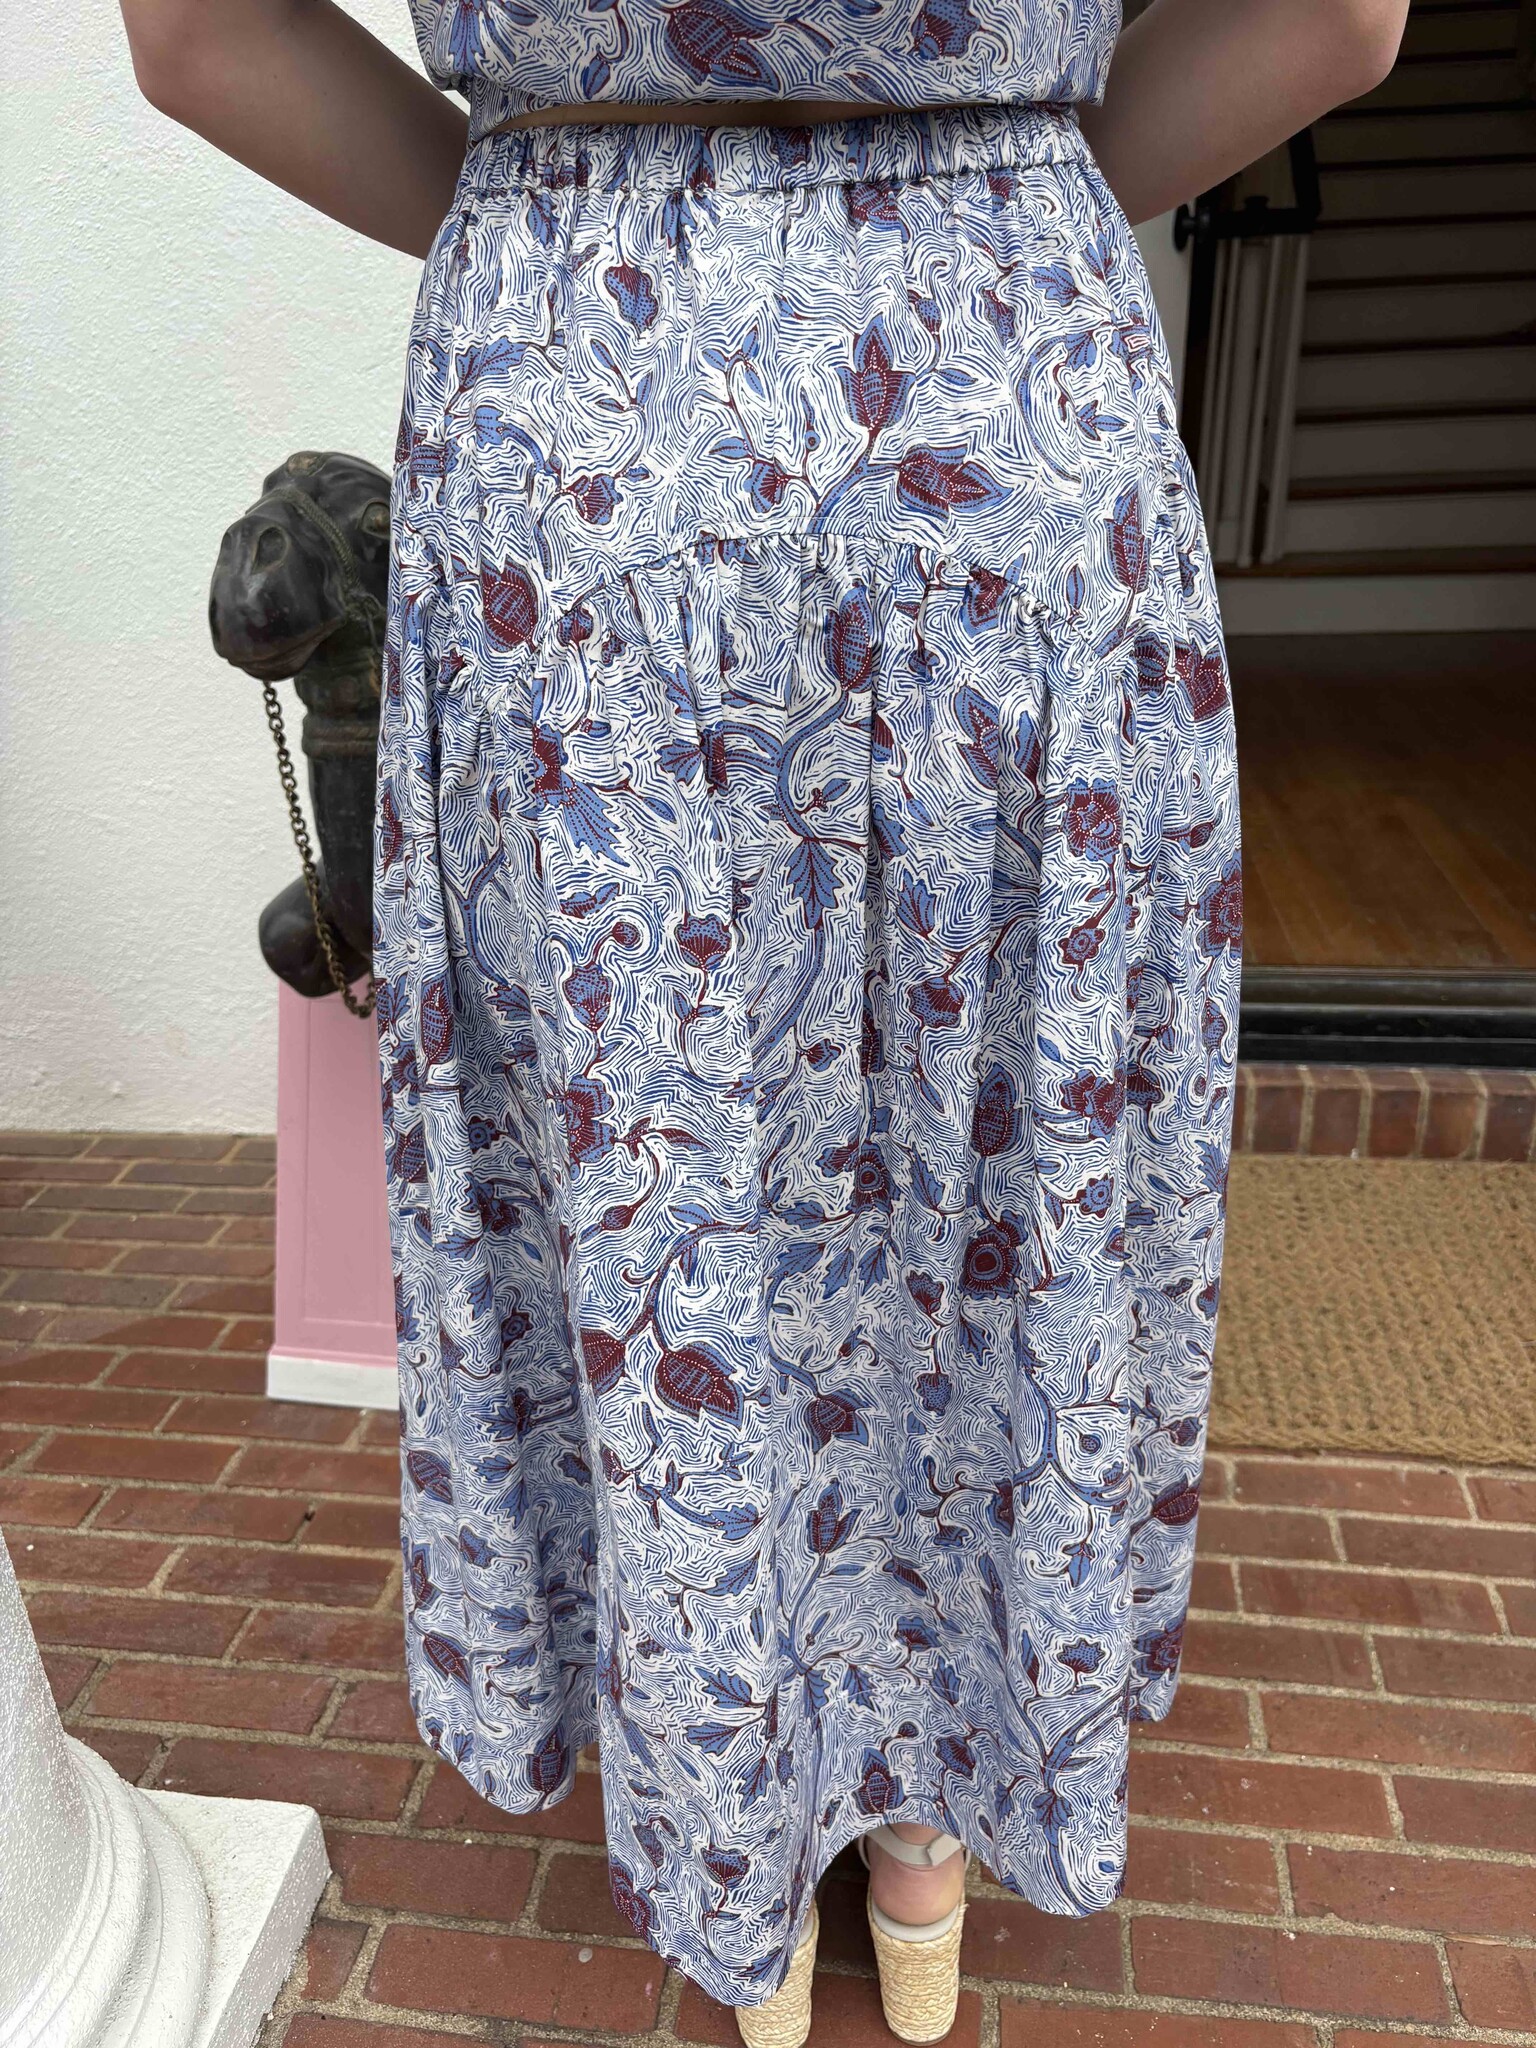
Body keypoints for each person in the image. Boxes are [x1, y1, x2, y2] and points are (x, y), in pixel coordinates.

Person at [119, 1, 1408, 2041]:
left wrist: (569, 188)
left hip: (583, 394)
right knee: (985, 1134)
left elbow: (197, 34)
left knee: (665, 1134)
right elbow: (1337, 14)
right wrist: (984, 158)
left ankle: (732, 1810)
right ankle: (929, 1827)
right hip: (1003, 377)